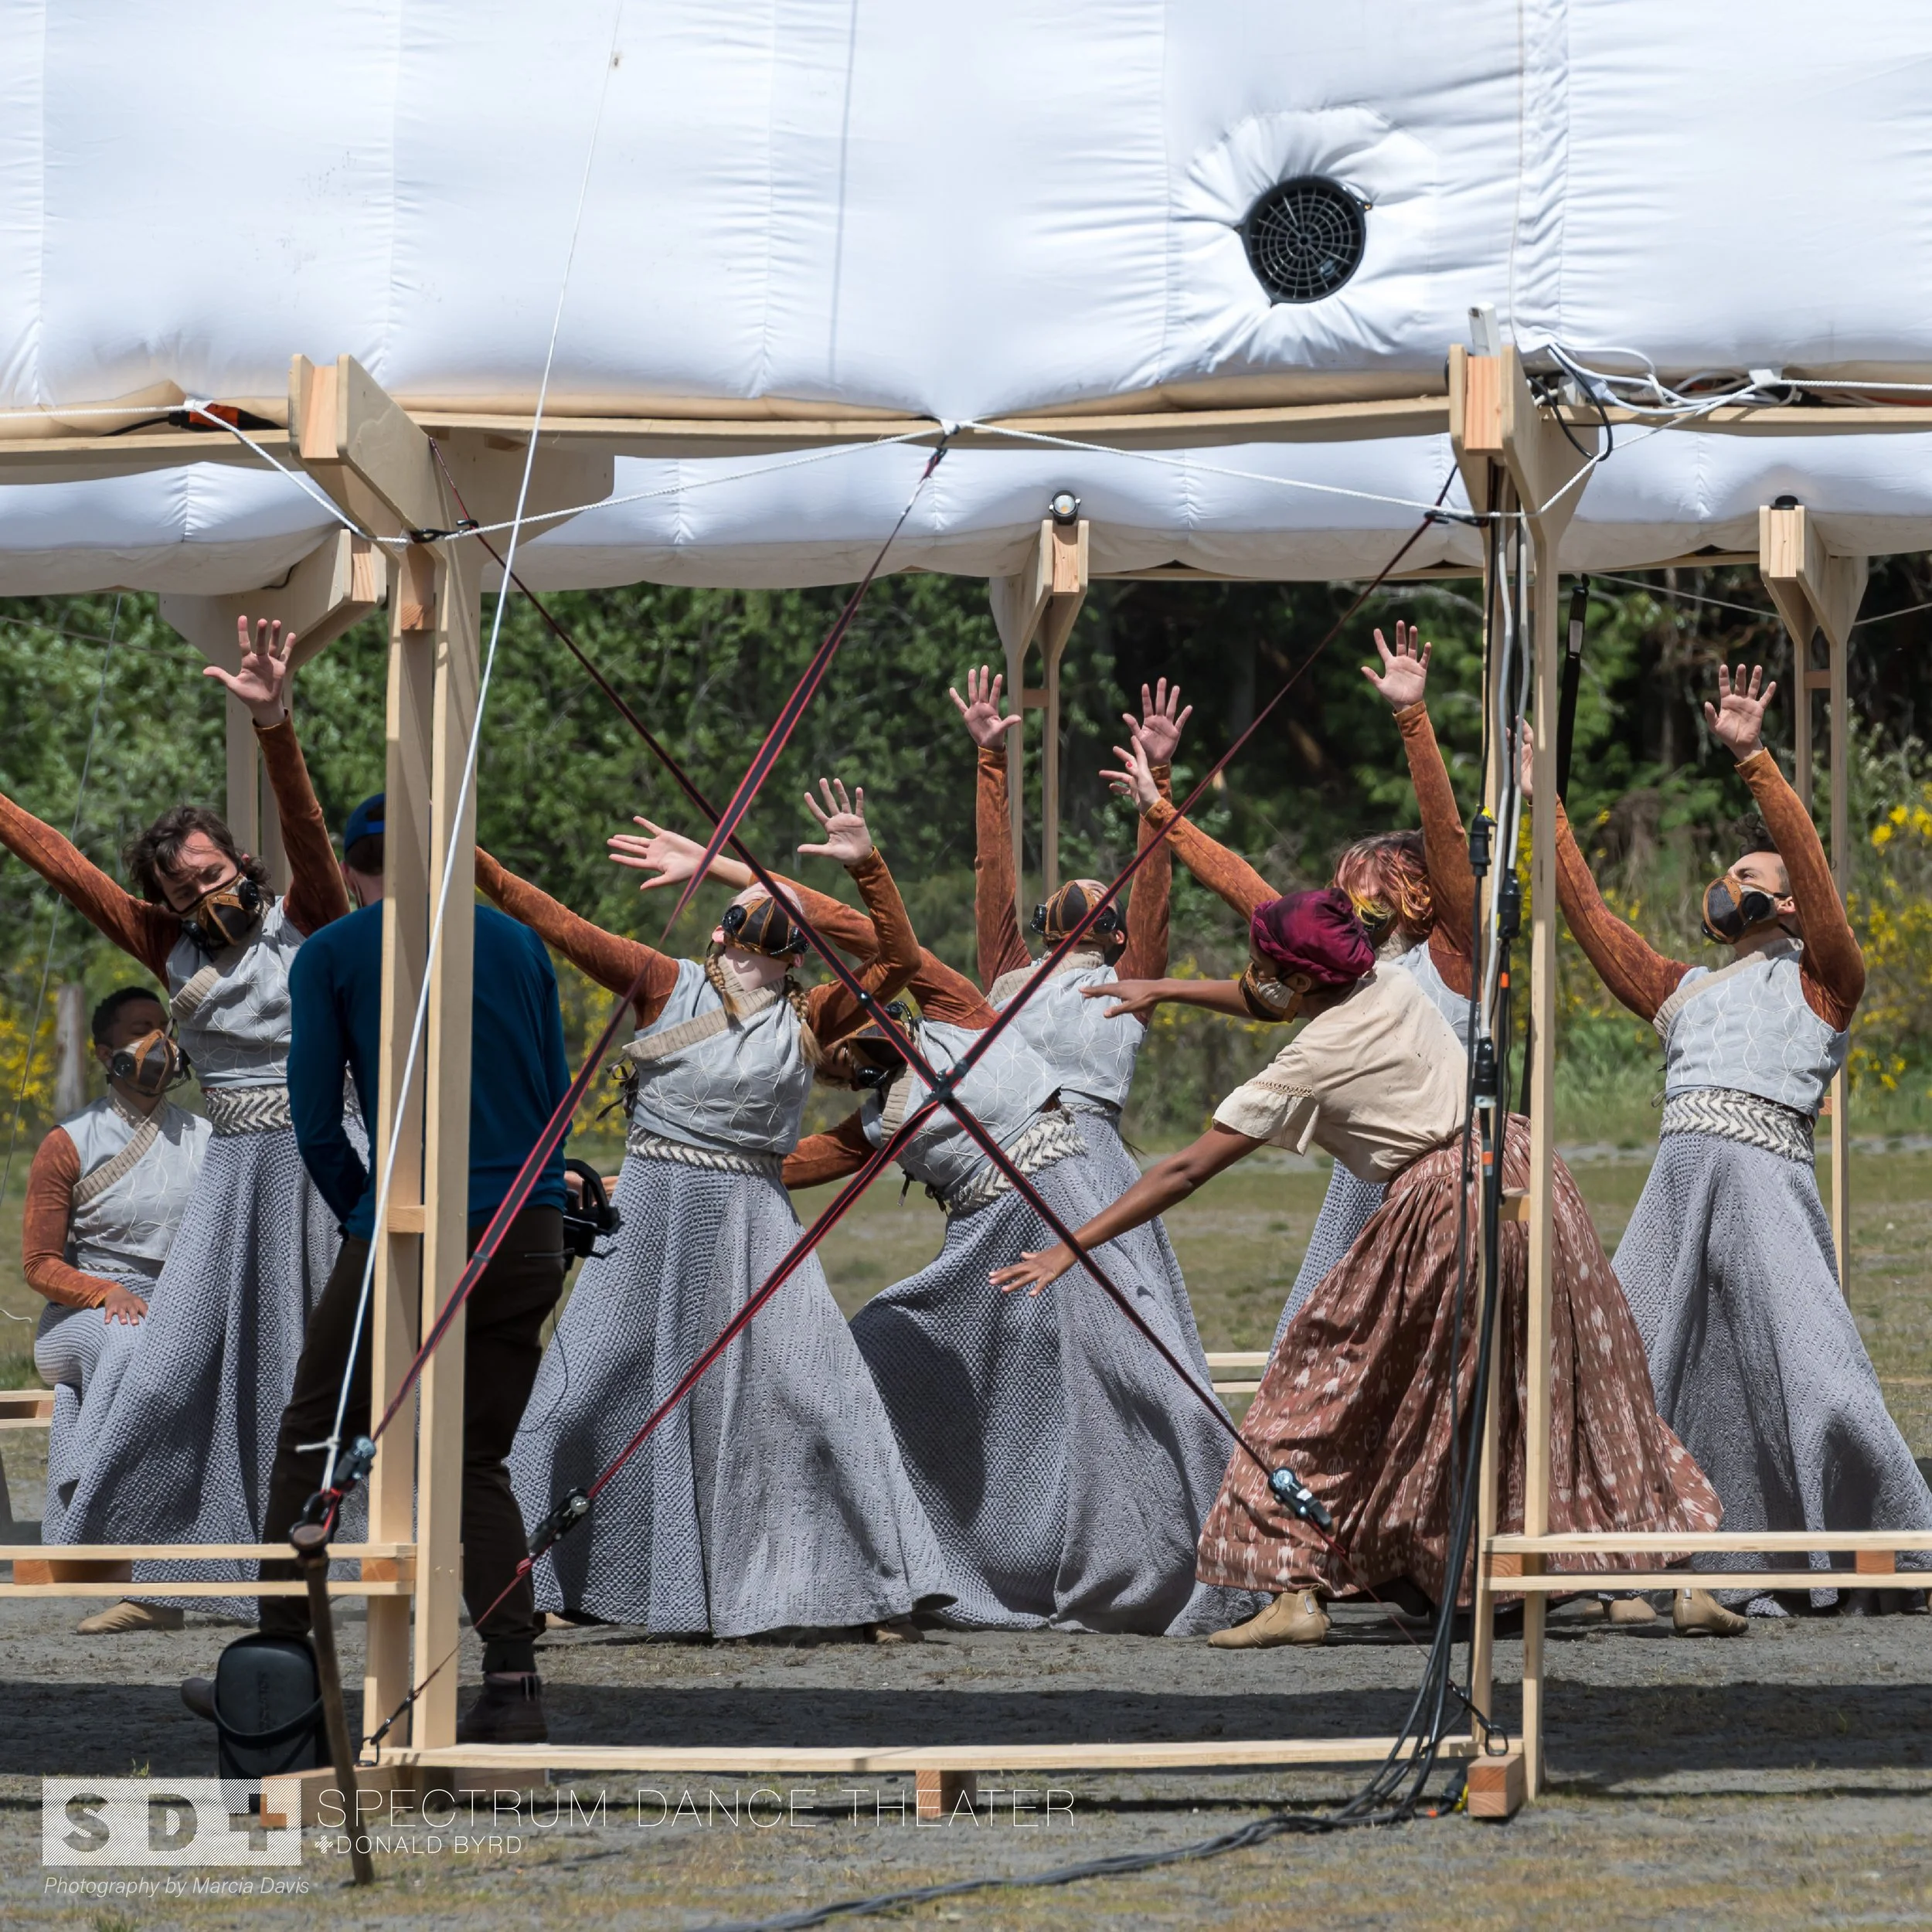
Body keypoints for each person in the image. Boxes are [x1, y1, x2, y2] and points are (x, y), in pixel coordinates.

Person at [995, 872, 1723, 1649]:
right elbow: (1269, 997)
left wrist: (1071, 1244)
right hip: (1529, 1174)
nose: (1264, 980)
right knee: (1567, 1382)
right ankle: (1668, 1573)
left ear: (1305, 976)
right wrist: (1166, 989)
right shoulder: (1384, 982)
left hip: (1441, 1203)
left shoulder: (1311, 1061)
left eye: (1273, 966)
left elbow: (1183, 1169)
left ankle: (1295, 1587)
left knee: (1319, 1380)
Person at [730, 822, 1257, 1636]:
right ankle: (905, 1560)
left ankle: (1242, 1556)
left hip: (1072, 1189)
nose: (837, 1063)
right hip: (983, 1239)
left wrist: (755, 871)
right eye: (826, 1060)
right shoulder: (884, 1113)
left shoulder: (971, 1011)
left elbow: (885, 937)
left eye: (842, 1045)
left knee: (1139, 1380)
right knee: (880, 1350)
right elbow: (786, 1161)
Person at [491, 780, 951, 1643]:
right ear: (718, 930)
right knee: (576, 1394)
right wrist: (465, 856)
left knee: (826, 1394)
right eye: (746, 910)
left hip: (753, 1218)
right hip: (655, 1213)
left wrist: (867, 866)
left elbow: (900, 959)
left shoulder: (814, 1012)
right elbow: (550, 918)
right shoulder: (663, 983)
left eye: (777, 914)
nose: (762, 922)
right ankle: (532, 1575)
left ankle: (880, 1586)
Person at [1527, 662, 1932, 1616]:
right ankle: (1636, 1556)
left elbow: (1820, 883)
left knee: (1816, 1370)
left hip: (1766, 1188)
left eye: (1747, 877)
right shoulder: (1683, 991)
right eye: (1727, 874)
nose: (1726, 886)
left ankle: (1890, 1546)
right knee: (1625, 1359)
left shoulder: (1825, 978)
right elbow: (1587, 915)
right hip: (1676, 1186)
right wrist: (1547, 809)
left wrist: (1753, 759)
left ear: (1785, 906)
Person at [199, 792, 577, 1745]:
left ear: (360, 869)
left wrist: (367, 1217)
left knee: (313, 1435)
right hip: (529, 1226)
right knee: (474, 1457)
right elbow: (554, 1092)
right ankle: (512, 1681)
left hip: (412, 1231)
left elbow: (318, 1126)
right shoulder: (521, 944)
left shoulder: (331, 953)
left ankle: (281, 1666)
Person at [4, 617, 352, 1610]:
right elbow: (65, 868)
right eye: (182, 883)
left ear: (237, 859)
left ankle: (325, 1571)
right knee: (171, 1373)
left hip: (324, 1157)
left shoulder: (306, 917)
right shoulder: (171, 951)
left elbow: (312, 837)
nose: (204, 888)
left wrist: (276, 725)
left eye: (212, 869)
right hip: (233, 1172)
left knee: (312, 1374)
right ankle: (150, 1570)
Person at [1099, 625, 1471, 1345]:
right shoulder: (1338, 961)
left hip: (1447, 1178)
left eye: (1361, 885)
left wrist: (1412, 720)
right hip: (1370, 1178)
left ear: (1415, 893)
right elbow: (1247, 891)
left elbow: (1449, 841)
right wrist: (1159, 801)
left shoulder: (1451, 959)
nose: (1341, 896)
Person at [22, 987, 211, 1632]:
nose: (157, 1041)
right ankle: (100, 1527)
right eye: (138, 1029)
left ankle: (189, 1579)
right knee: (130, 1345)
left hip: (178, 1308)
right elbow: (38, 1265)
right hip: (81, 1320)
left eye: (163, 1026)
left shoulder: (209, 1138)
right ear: (106, 1052)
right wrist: (105, 1292)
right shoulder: (69, 1141)